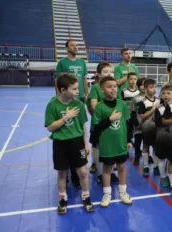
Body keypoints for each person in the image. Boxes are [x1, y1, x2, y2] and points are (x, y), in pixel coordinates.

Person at [45, 73, 94, 214]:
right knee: (62, 173)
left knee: (83, 172)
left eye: (77, 88)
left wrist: (85, 144)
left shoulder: (78, 104)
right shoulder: (52, 105)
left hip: (77, 142)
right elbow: (50, 127)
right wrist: (65, 117)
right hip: (60, 143)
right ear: (62, 90)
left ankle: (86, 196)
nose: (77, 91)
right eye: (73, 89)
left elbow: (83, 127)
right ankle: (62, 198)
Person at [92, 76, 133, 208]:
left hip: (120, 144)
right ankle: (107, 193)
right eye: (109, 87)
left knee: (121, 167)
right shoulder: (99, 107)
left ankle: (123, 192)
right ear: (102, 89)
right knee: (107, 169)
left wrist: (128, 140)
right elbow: (96, 127)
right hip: (107, 145)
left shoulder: (122, 104)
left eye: (115, 86)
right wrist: (110, 119)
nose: (113, 89)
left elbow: (127, 123)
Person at [54, 39, 89, 186]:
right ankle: (65, 171)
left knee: (79, 126)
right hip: (66, 98)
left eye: (77, 45)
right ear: (67, 48)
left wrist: (86, 94)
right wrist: (58, 96)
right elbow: (57, 80)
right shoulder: (62, 63)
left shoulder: (82, 63)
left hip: (79, 97)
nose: (76, 47)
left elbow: (85, 79)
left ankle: (76, 170)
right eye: (73, 45)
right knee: (66, 126)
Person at [87, 62, 111, 180]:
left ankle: (107, 171)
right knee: (97, 144)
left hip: (110, 123)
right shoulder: (96, 88)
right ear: (99, 74)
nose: (109, 74)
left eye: (110, 71)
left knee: (107, 145)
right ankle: (97, 169)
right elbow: (94, 106)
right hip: (99, 122)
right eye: (105, 72)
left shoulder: (112, 87)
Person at [138, 79, 160, 177]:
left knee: (156, 147)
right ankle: (146, 165)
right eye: (151, 87)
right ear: (145, 88)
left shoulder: (159, 100)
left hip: (157, 128)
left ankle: (156, 166)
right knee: (146, 146)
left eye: (155, 87)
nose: (154, 89)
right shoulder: (143, 102)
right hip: (146, 128)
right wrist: (153, 109)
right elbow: (142, 116)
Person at [154, 83, 172, 187]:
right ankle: (162, 177)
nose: (166, 95)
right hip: (162, 137)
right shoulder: (159, 108)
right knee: (161, 158)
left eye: (168, 93)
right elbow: (158, 122)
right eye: (164, 93)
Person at [130, 77, 146, 165]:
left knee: (147, 141)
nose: (144, 87)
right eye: (141, 85)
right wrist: (136, 123)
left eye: (145, 85)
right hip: (139, 124)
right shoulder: (135, 99)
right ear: (138, 86)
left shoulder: (153, 98)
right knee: (138, 140)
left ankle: (146, 155)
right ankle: (137, 155)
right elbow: (132, 112)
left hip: (149, 125)